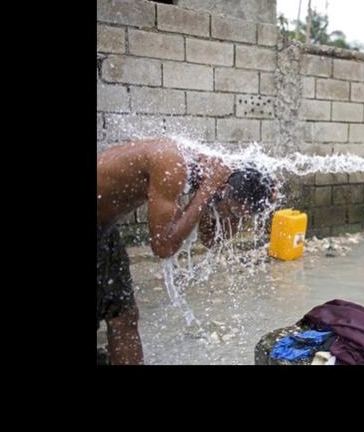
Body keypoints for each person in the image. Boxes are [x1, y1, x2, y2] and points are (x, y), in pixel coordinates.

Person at [96, 138, 275, 364]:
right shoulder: (173, 163)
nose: (229, 218)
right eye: (231, 211)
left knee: (123, 316)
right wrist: (208, 188)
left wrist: (264, 198)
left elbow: (210, 239)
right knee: (120, 316)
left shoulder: (216, 175)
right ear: (224, 189)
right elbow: (163, 246)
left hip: (104, 228)